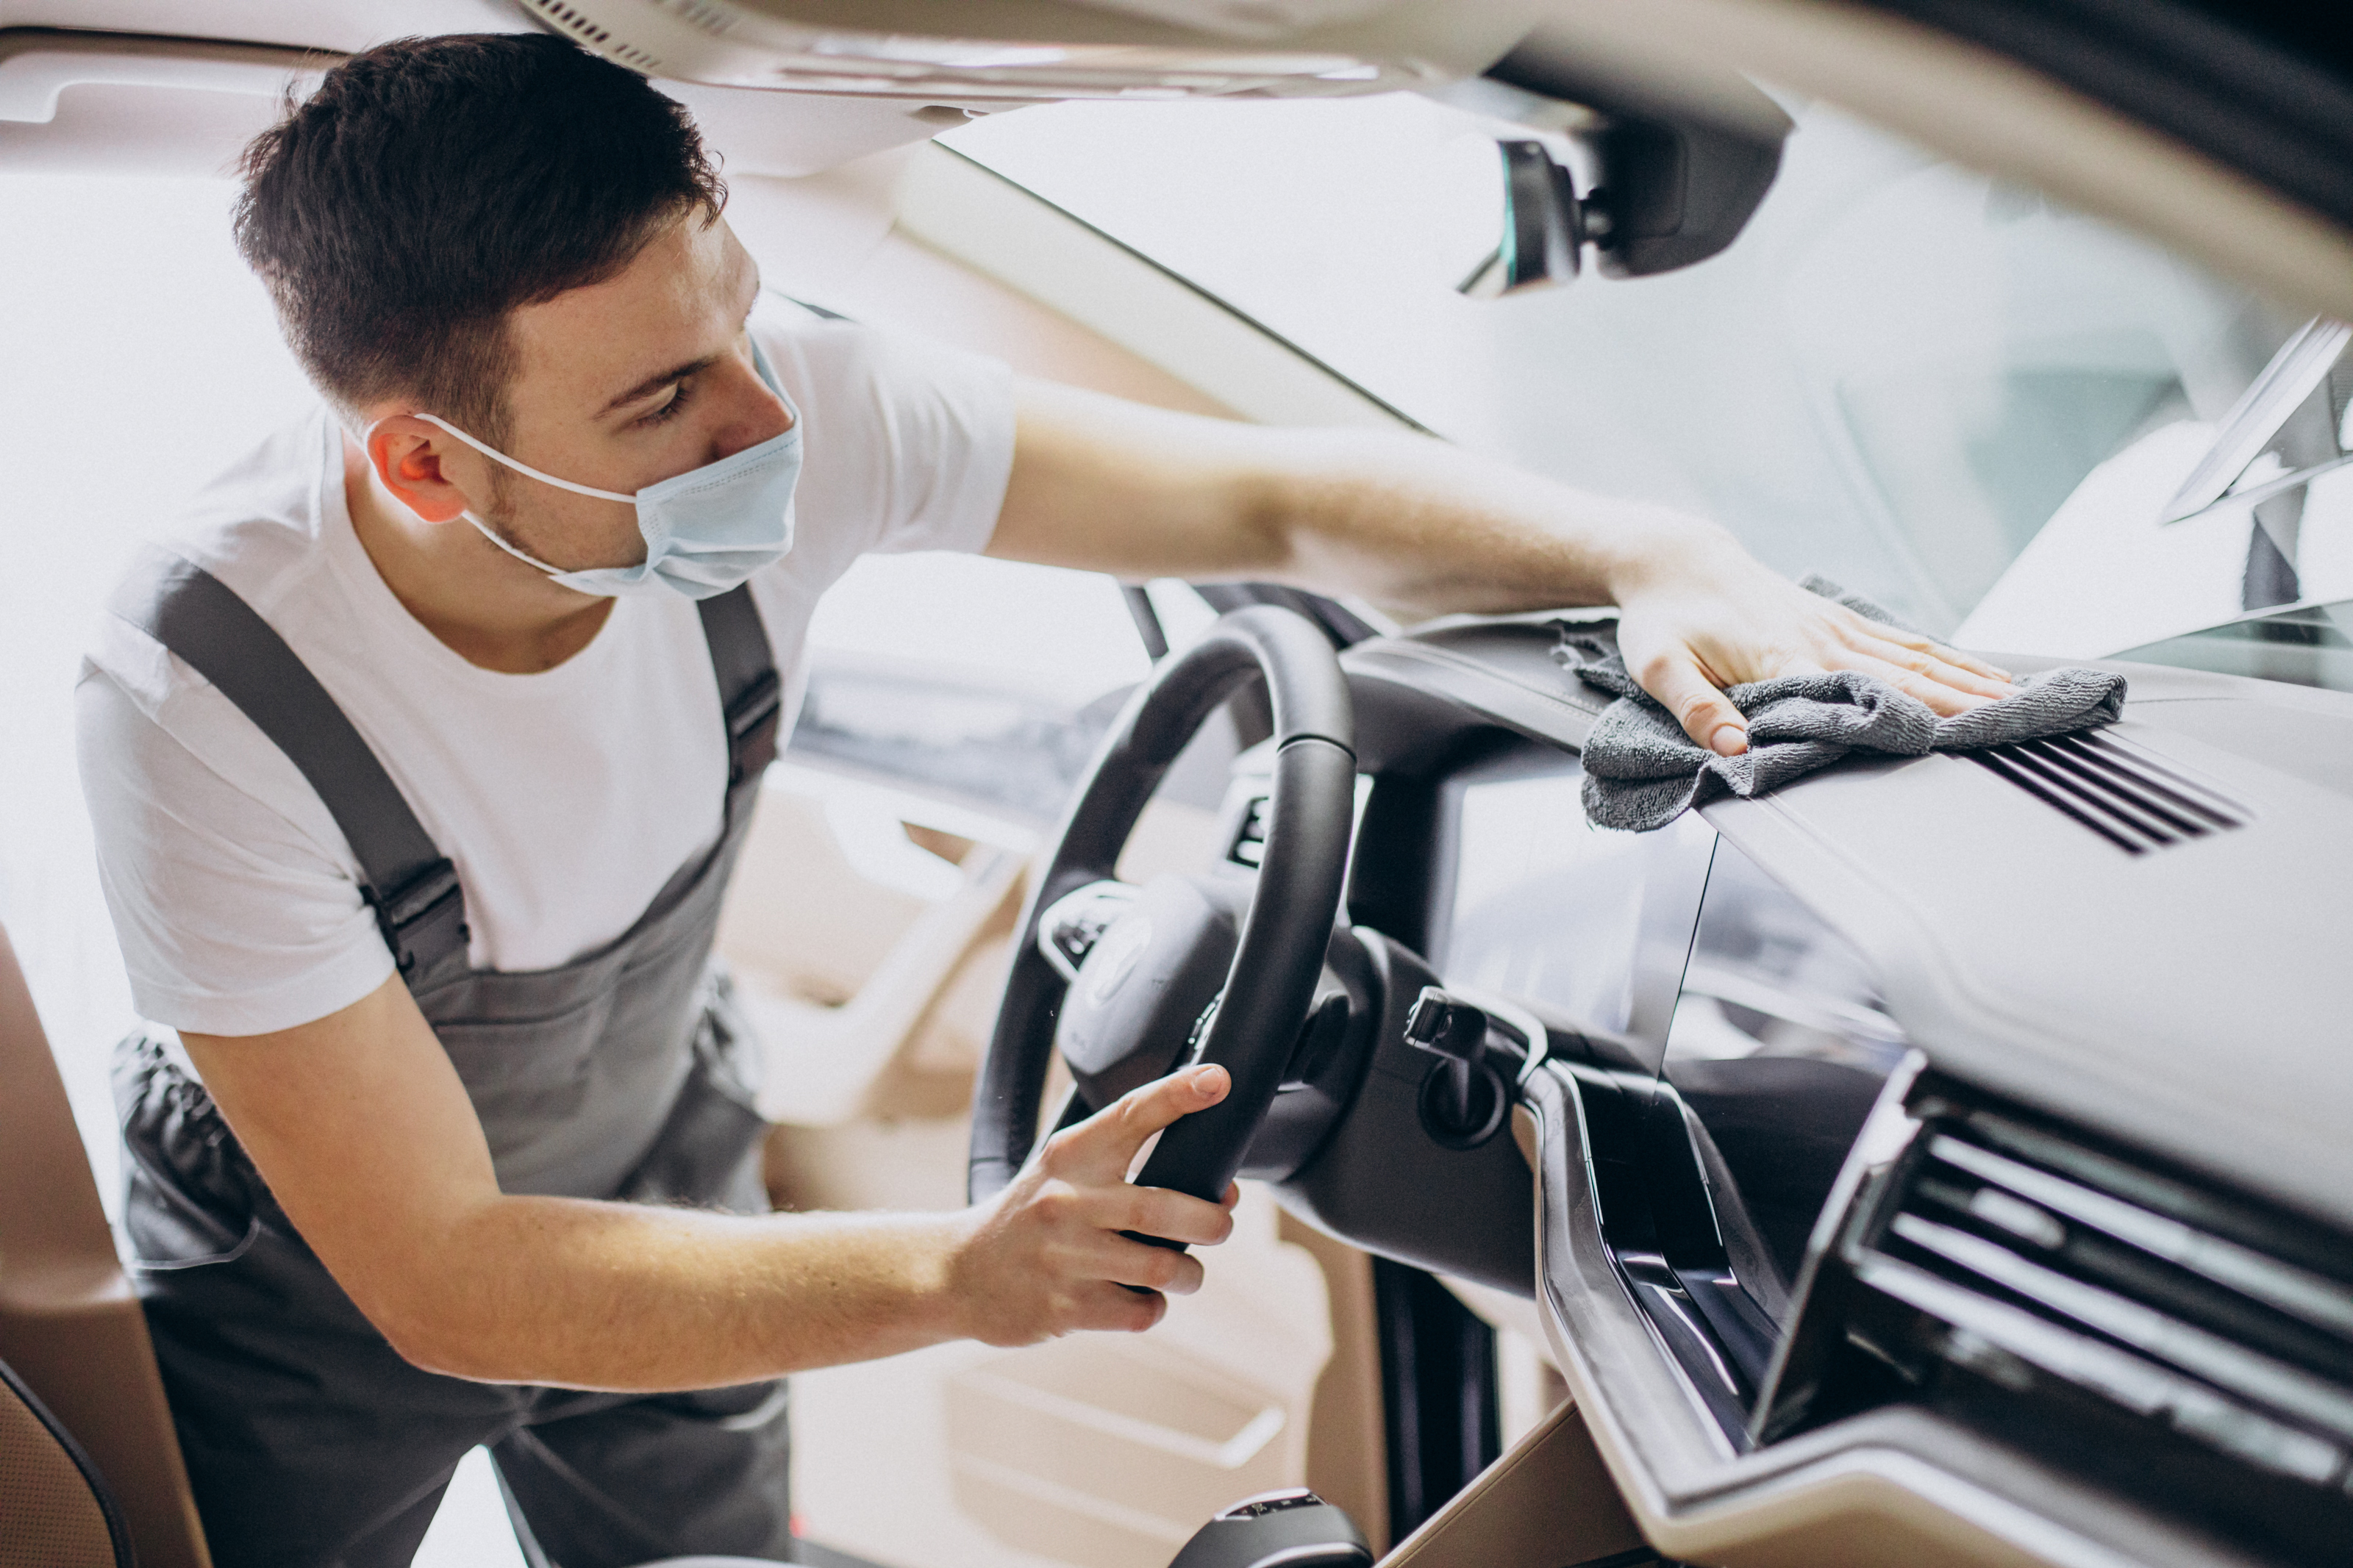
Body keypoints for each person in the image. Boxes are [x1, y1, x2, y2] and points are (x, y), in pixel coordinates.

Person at [75, 31, 2011, 1568]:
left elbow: (1273, 503)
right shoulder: (205, 693)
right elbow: (446, 1275)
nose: (768, 416)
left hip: (658, 1138)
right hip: (320, 1273)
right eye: (662, 402)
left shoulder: (792, 412)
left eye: (745, 320)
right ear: (423, 467)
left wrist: (1645, 547)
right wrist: (959, 1272)